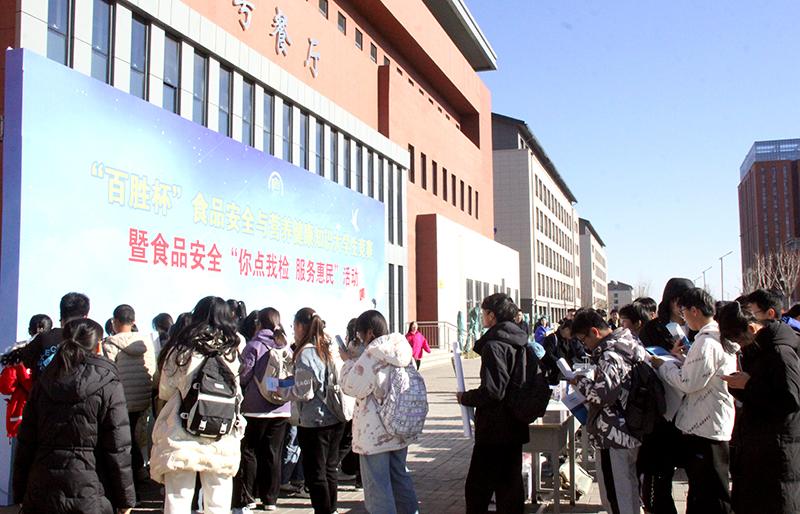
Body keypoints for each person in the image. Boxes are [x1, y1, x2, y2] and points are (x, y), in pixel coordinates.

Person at [14, 318, 135, 513]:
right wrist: (125, 499)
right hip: (91, 488)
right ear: (97, 346)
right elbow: (118, 447)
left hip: (42, 487)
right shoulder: (108, 385)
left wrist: (19, 492)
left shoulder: (43, 382)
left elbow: (26, 443)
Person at [150, 296, 245, 514]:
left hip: (181, 430)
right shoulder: (232, 351)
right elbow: (237, 392)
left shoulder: (181, 349)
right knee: (218, 500)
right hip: (221, 430)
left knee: (178, 498)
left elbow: (165, 389)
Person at [650, 288, 737, 514]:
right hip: (711, 424)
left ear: (695, 311)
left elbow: (689, 382)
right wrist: (684, 360)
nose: (683, 318)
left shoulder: (706, 342)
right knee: (704, 491)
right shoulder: (717, 336)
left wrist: (664, 365)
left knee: (710, 494)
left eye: (684, 312)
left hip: (705, 428)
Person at [716, 301, 800, 514]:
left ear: (752, 328)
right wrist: (740, 386)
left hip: (778, 450)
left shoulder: (780, 351)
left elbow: (790, 400)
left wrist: (749, 384)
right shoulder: (760, 350)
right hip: (759, 448)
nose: (741, 346)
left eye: (741, 341)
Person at [340, 310, 420, 514]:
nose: (358, 339)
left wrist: (348, 361)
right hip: (398, 427)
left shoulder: (372, 354)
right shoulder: (400, 349)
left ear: (368, 332)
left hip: (374, 434)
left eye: (359, 334)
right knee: (401, 481)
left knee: (378, 489)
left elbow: (351, 387)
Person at [457, 293, 529, 514]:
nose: (482, 316)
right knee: (510, 487)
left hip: (494, 429)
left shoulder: (494, 346)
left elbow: (493, 391)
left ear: (492, 315)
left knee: (478, 489)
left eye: (483, 312)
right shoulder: (521, 341)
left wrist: (466, 397)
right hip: (515, 425)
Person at [570, 308, 646, 514]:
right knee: (629, 489)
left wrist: (581, 382)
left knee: (616, 495)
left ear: (594, 331)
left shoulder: (610, 355)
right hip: (631, 428)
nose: (585, 346)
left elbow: (603, 394)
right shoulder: (630, 344)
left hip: (614, 434)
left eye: (584, 340)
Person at [276, 308, 346, 514]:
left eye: (293, 326)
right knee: (330, 469)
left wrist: (283, 390)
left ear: (300, 326)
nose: (293, 331)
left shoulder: (305, 353)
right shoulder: (326, 348)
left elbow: (304, 392)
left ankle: (323, 510)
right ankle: (331, 509)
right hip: (335, 416)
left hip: (315, 421)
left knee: (316, 473)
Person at [636, 277, 694, 514]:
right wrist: (668, 357)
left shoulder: (698, 325)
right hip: (662, 408)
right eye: (678, 301)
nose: (682, 307)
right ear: (669, 301)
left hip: (691, 406)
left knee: (695, 472)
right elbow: (643, 362)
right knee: (660, 471)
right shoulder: (652, 328)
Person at [232, 308, 291, 513]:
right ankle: (270, 500)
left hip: (256, 408)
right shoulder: (286, 346)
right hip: (282, 407)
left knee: (249, 452)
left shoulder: (254, 345)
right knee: (273, 453)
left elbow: (244, 376)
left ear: (258, 324)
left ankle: (249, 497)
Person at [103, 304, 157, 488]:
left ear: (114, 321)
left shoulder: (110, 344)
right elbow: (151, 368)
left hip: (121, 400)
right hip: (142, 398)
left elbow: (109, 373)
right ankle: (139, 473)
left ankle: (134, 479)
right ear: (134, 321)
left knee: (125, 441)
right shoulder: (144, 342)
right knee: (132, 437)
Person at [20, 292, 90, 381]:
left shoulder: (42, 338)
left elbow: (25, 361)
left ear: (61, 314)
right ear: (86, 316)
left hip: (43, 393)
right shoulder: (90, 341)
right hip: (77, 393)